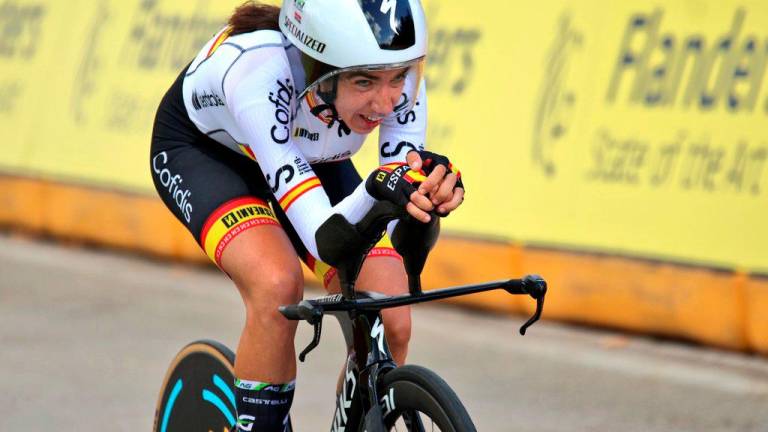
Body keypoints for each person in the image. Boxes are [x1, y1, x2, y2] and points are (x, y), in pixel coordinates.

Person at [149, 0, 464, 430]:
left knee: (390, 311)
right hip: (209, 155)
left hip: (313, 159)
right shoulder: (259, 74)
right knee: (277, 285)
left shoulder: (395, 76)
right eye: (364, 81)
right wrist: (377, 186)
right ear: (319, 69)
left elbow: (396, 231)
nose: (387, 102)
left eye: (398, 79)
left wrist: (424, 202)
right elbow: (324, 237)